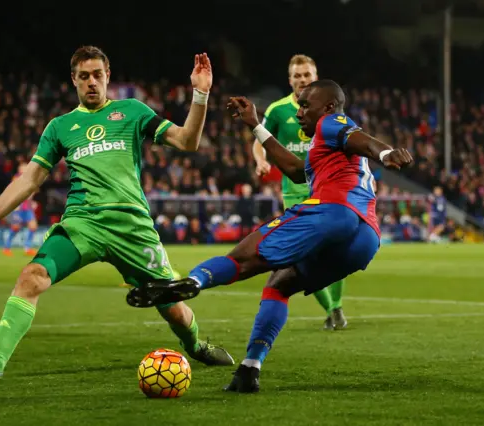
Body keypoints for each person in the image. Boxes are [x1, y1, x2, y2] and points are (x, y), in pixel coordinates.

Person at [0, 46, 234, 379]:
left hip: (132, 227)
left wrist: (200, 94)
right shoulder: (60, 127)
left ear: (108, 76)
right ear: (74, 80)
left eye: (98, 75)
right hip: (83, 224)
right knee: (31, 277)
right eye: (84, 77)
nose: (92, 82)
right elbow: (30, 179)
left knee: (173, 309)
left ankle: (196, 346)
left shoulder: (132, 111)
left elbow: (187, 142)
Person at [128, 80, 414, 392]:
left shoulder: (333, 123)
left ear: (329, 107)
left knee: (242, 258)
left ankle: (193, 282)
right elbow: (294, 169)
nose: (300, 112)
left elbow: (361, 139)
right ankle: (250, 368)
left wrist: (385, 153)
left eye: (306, 105)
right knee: (279, 285)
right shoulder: (327, 150)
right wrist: (254, 124)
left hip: (333, 212)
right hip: (365, 239)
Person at [252, 54, 346, 330]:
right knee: (304, 254)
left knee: (337, 252)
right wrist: (261, 159)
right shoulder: (279, 110)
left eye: (307, 75)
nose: (302, 80)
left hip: (329, 189)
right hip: (295, 194)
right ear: (290, 79)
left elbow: (348, 141)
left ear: (315, 77)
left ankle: (335, 307)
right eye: (297, 76)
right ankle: (332, 308)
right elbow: (260, 138)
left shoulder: (330, 109)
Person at [2, 162, 38, 257]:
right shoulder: (16, 178)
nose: (25, 169)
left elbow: (32, 190)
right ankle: (6, 247)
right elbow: (14, 190)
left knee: (33, 226)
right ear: (19, 169)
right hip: (19, 207)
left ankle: (27, 248)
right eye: (23, 167)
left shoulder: (30, 177)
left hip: (27, 207)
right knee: (16, 228)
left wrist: (32, 201)